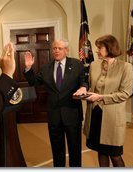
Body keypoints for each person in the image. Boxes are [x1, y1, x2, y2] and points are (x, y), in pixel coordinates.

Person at [23, 39, 88, 167]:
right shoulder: (46, 67)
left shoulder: (77, 64)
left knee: (75, 150)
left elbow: (84, 80)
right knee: (57, 150)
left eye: (59, 48)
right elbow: (34, 82)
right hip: (54, 116)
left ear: (66, 50)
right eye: (54, 48)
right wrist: (28, 67)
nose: (56, 50)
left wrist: (84, 87)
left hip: (72, 114)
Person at [83, 35, 133, 167]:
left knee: (115, 155)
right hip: (95, 114)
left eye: (100, 48)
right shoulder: (94, 65)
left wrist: (100, 97)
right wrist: (83, 90)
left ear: (109, 48)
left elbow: (125, 94)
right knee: (101, 152)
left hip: (112, 117)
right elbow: (90, 85)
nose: (97, 51)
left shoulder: (125, 67)